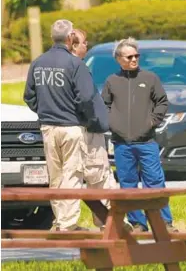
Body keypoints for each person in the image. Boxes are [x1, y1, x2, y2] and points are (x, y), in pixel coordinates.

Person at [23, 19, 97, 231]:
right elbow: (85, 98)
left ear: (51, 37)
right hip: (71, 127)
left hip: (48, 127)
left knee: (55, 176)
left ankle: (59, 220)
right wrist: (85, 119)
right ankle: (69, 223)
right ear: (69, 38)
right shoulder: (75, 64)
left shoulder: (37, 63)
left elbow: (28, 95)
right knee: (72, 174)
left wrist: (44, 111)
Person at [101, 37, 176, 232]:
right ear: (119, 59)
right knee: (128, 185)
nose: (134, 59)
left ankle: (164, 223)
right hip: (121, 144)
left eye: (136, 56)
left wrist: (151, 121)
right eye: (129, 57)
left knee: (155, 183)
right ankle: (138, 223)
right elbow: (104, 106)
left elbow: (162, 102)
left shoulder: (150, 78)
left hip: (147, 142)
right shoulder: (111, 81)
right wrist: (112, 123)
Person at [70, 29, 132, 231]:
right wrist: (95, 120)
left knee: (73, 176)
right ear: (74, 45)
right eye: (84, 42)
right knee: (99, 174)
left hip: (70, 128)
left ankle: (76, 221)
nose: (86, 46)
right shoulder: (77, 67)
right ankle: (111, 221)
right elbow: (86, 99)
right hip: (88, 129)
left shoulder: (62, 66)